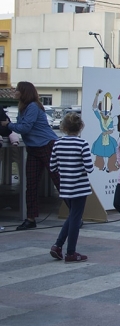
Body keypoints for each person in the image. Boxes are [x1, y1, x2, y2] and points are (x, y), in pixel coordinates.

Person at [2, 81, 59, 230]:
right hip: (33, 148)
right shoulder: (23, 108)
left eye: (17, 90)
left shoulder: (33, 107)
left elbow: (25, 128)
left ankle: (75, 215)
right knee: (31, 184)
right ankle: (30, 218)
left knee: (59, 181)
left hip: (47, 146)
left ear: (24, 92)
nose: (14, 92)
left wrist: (7, 125)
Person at [48, 113, 94, 263]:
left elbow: (53, 167)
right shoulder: (82, 144)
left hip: (65, 187)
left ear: (63, 127)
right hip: (80, 187)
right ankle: (71, 252)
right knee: (75, 218)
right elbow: (89, 167)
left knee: (72, 216)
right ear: (80, 127)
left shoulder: (57, 143)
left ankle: (58, 245)